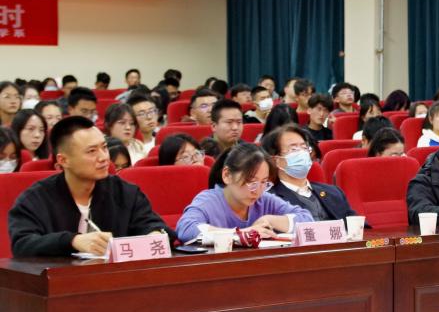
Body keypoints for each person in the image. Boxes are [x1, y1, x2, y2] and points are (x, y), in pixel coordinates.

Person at [8, 117, 172, 257]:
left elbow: (154, 226)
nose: (104, 157)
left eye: (104, 147)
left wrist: (155, 235)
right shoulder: (35, 199)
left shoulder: (125, 192)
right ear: (63, 160)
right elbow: (22, 244)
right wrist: (73, 241)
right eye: (92, 151)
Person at [176, 143, 314, 243]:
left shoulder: (264, 199)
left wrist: (270, 220)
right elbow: (185, 229)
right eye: (251, 182)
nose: (257, 191)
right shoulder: (209, 201)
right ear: (227, 175)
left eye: (264, 182)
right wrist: (241, 234)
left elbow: (306, 219)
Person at [263, 124, 360, 222]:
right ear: (276, 160)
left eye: (304, 148)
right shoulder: (268, 200)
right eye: (294, 149)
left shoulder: (334, 192)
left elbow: (358, 226)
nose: (301, 153)